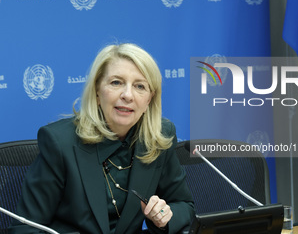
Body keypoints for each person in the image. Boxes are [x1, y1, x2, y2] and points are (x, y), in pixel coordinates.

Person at [9, 43, 195, 234]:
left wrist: (164, 216)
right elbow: (25, 228)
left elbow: (184, 206)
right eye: (116, 82)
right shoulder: (59, 142)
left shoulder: (159, 136)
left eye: (140, 86)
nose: (127, 95)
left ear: (149, 99)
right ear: (97, 91)